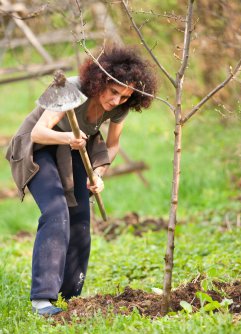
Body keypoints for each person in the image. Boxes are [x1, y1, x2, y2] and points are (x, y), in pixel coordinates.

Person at [6, 46, 157, 315]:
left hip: (73, 150)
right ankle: (42, 300)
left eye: (125, 97)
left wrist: (98, 175)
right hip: (37, 148)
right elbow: (40, 132)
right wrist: (67, 138)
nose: (116, 101)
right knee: (56, 213)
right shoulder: (70, 88)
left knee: (80, 221)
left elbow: (112, 145)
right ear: (101, 80)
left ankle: (69, 298)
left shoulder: (119, 108)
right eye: (113, 92)